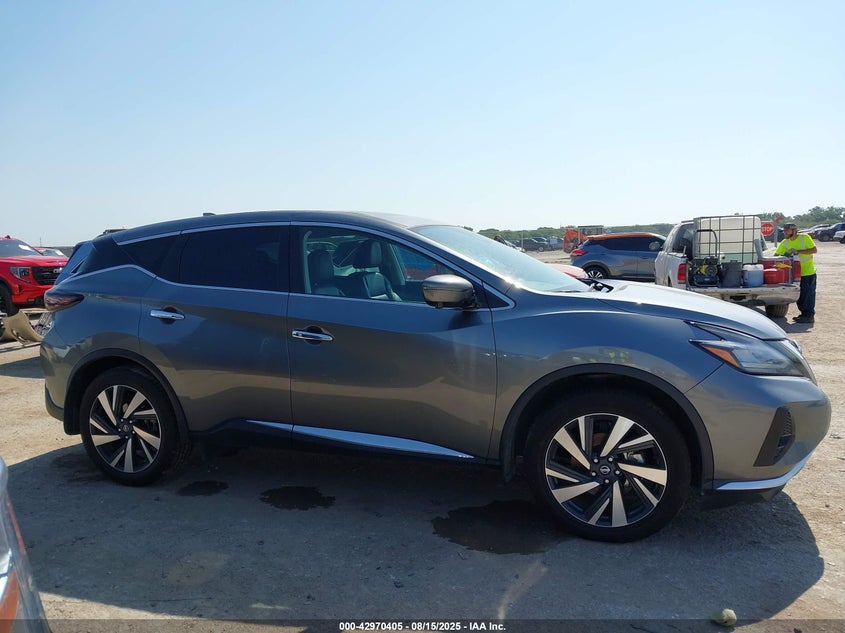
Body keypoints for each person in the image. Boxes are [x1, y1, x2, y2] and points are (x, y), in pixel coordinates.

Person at [775, 222, 817, 323]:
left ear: (794, 231)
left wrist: (798, 251)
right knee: (800, 295)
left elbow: (814, 250)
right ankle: (803, 314)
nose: (784, 233)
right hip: (794, 274)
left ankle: (809, 316)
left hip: (808, 272)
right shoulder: (785, 242)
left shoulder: (804, 238)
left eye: (787, 231)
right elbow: (776, 255)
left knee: (808, 295)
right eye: (784, 231)